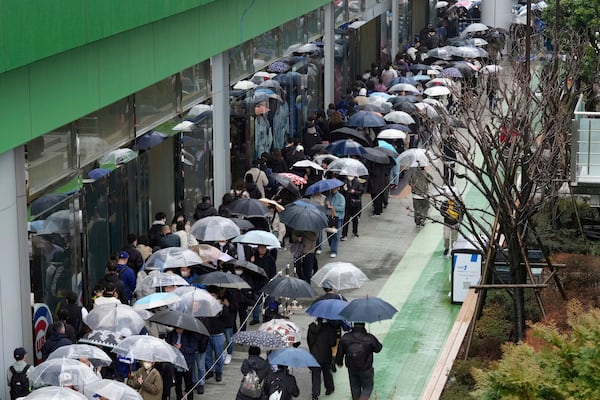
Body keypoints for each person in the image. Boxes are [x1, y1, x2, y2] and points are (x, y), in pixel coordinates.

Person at [335, 322, 383, 400]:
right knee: (368, 387)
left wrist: (339, 362)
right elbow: (378, 349)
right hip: (366, 368)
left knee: (355, 387)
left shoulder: (345, 337)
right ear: (364, 325)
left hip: (351, 368)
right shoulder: (369, 338)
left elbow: (340, 352)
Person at [308, 318, 338, 399]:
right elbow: (333, 343)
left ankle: (315, 394)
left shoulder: (311, 327)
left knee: (315, 374)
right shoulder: (329, 327)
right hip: (326, 354)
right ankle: (329, 388)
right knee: (327, 372)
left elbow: (309, 341)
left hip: (314, 354)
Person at [166, 328, 197, 400]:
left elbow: (193, 349)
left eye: (180, 329)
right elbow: (168, 346)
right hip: (176, 364)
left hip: (187, 364)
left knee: (189, 385)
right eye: (176, 328)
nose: (178, 330)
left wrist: (181, 348)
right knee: (177, 385)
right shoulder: (171, 334)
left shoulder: (190, 335)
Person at [440, 190, 463, 256]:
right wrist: (446, 215)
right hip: (447, 223)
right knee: (446, 237)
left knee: (454, 238)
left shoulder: (458, 204)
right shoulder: (445, 203)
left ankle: (453, 249)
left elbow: (462, 213)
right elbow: (441, 211)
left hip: (455, 223)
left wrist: (459, 222)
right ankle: (446, 248)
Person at [325, 186, 346, 258]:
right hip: (329, 217)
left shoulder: (341, 197)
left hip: (338, 217)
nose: (333, 189)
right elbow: (326, 206)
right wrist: (327, 205)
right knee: (329, 233)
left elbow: (342, 208)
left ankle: (334, 250)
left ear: (338, 188)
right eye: (332, 188)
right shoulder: (328, 196)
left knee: (336, 235)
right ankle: (332, 246)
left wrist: (332, 207)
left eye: (335, 188)